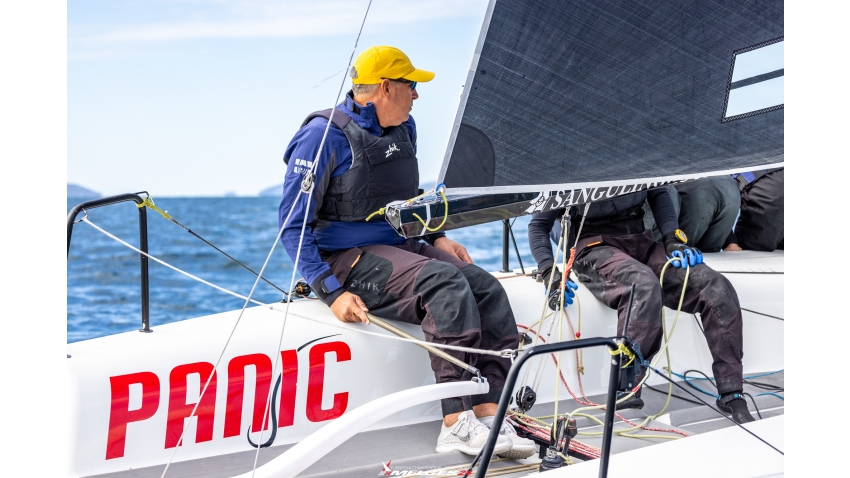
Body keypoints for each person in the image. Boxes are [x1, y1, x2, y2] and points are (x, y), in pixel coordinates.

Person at [278, 46, 534, 458]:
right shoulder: (321, 137)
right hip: (345, 259)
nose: (416, 95)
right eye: (410, 85)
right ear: (384, 88)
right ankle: (456, 422)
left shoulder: (404, 128)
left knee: (486, 288)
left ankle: (491, 412)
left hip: (400, 245)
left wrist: (438, 236)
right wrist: (330, 292)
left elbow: (404, 196)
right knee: (445, 283)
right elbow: (293, 225)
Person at [527, 187, 756, 423]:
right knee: (643, 284)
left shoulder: (633, 157)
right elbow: (537, 226)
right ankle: (626, 388)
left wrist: (672, 239)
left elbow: (659, 194)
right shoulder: (568, 169)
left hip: (641, 241)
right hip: (593, 248)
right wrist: (549, 271)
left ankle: (732, 392)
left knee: (715, 286)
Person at [724, 168, 784, 252]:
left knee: (750, 255)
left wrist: (730, 242)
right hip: (771, 187)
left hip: (767, 196)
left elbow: (718, 194)